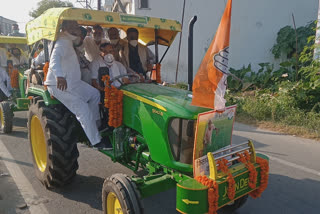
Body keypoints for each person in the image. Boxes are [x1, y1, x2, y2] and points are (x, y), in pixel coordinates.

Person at [44, 20, 106, 149]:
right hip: (58, 84)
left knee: (94, 94)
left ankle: (95, 126)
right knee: (82, 109)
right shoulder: (62, 41)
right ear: (66, 28)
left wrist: (78, 34)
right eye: (75, 26)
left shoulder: (69, 40)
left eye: (78, 26)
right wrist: (59, 76)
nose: (78, 28)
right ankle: (96, 142)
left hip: (73, 82)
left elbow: (79, 44)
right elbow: (54, 59)